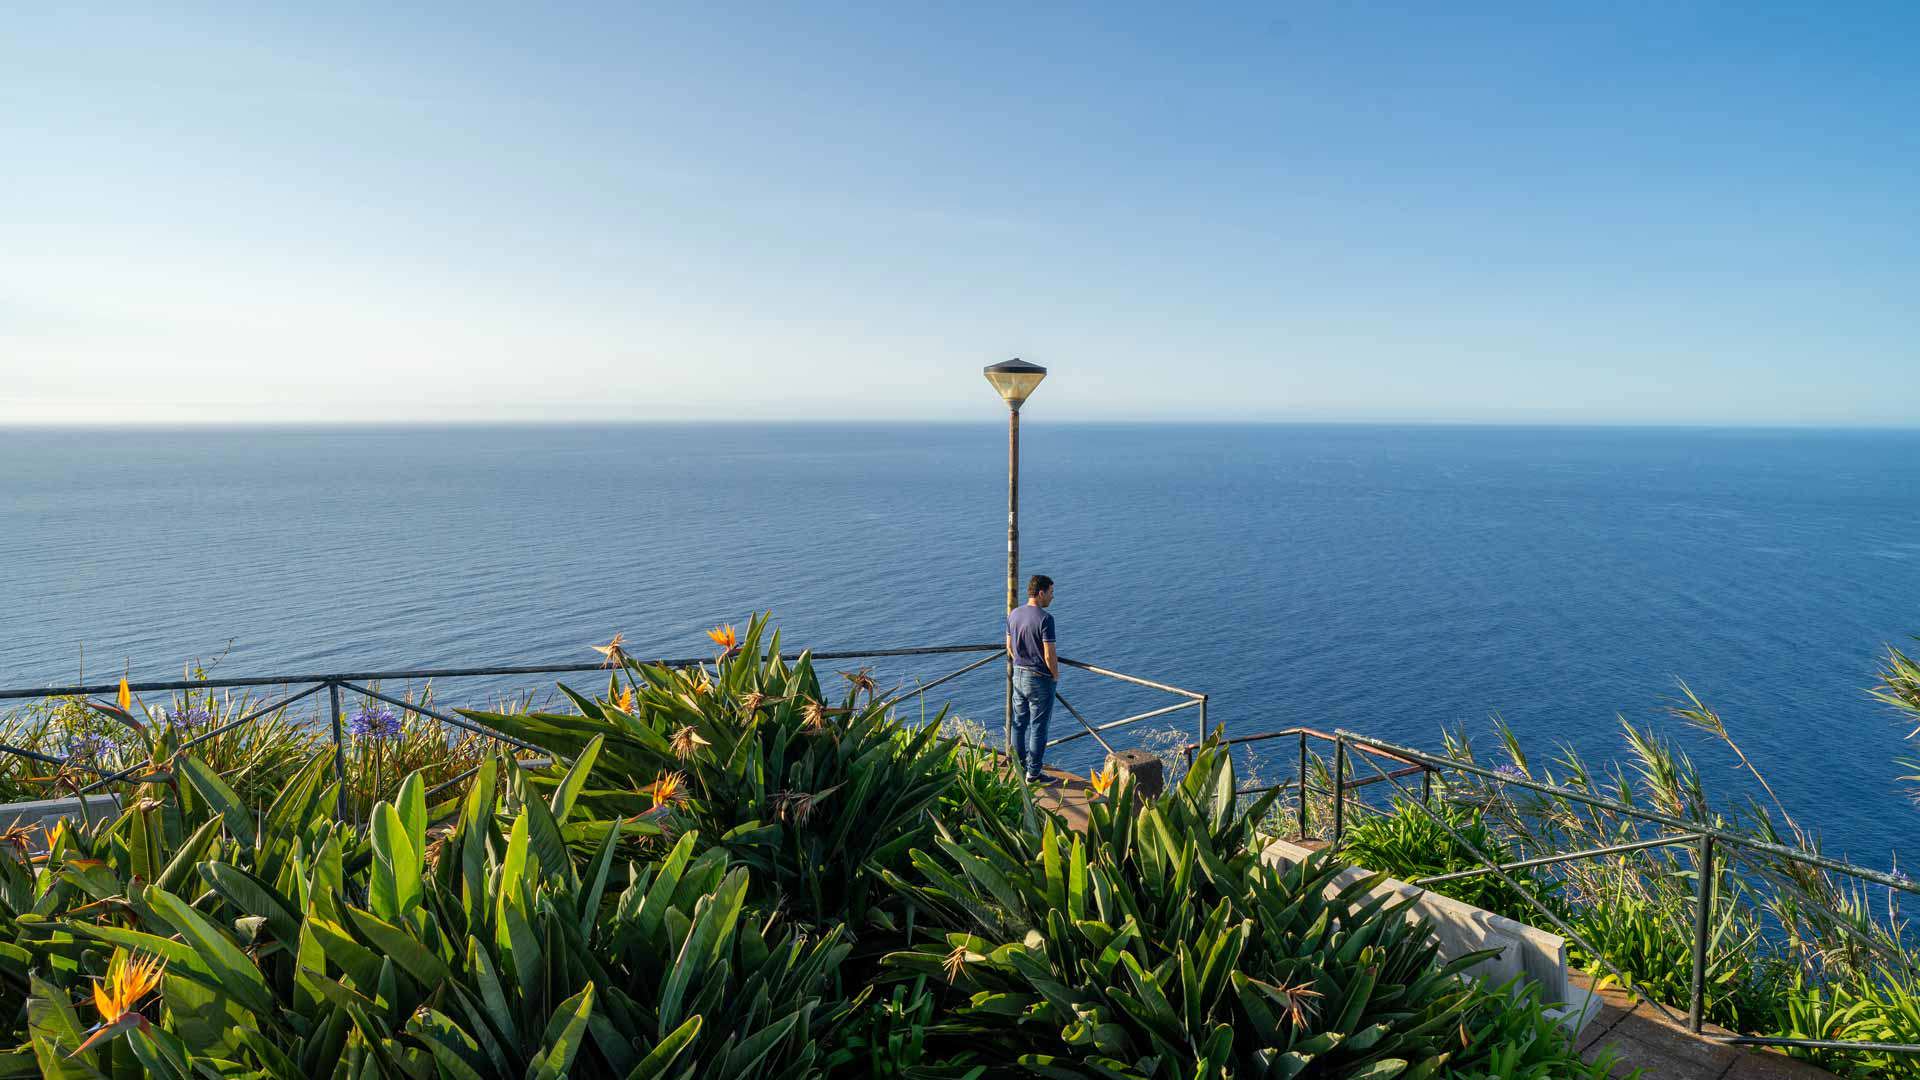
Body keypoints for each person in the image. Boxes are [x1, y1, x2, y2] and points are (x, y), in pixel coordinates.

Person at [1005, 574, 1058, 783]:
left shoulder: (1014, 614)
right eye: (1051, 592)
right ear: (1041, 593)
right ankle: (1033, 773)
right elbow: (1049, 655)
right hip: (1039, 678)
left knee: (1018, 723)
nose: (1052, 597)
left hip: (1018, 674)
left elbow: (1009, 647)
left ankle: (1018, 766)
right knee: (1038, 727)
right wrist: (1054, 675)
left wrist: (1020, 662)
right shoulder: (1045, 619)